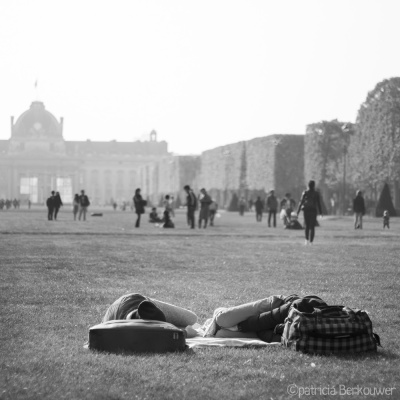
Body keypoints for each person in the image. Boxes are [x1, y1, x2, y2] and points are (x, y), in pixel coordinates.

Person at [297, 180, 323, 245]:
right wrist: (320, 212)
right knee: (312, 226)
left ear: (308, 185)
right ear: (314, 185)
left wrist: (297, 212)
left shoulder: (305, 192)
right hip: (313, 210)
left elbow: (301, 202)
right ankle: (311, 241)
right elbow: (318, 203)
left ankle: (306, 240)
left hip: (306, 210)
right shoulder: (316, 193)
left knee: (307, 226)